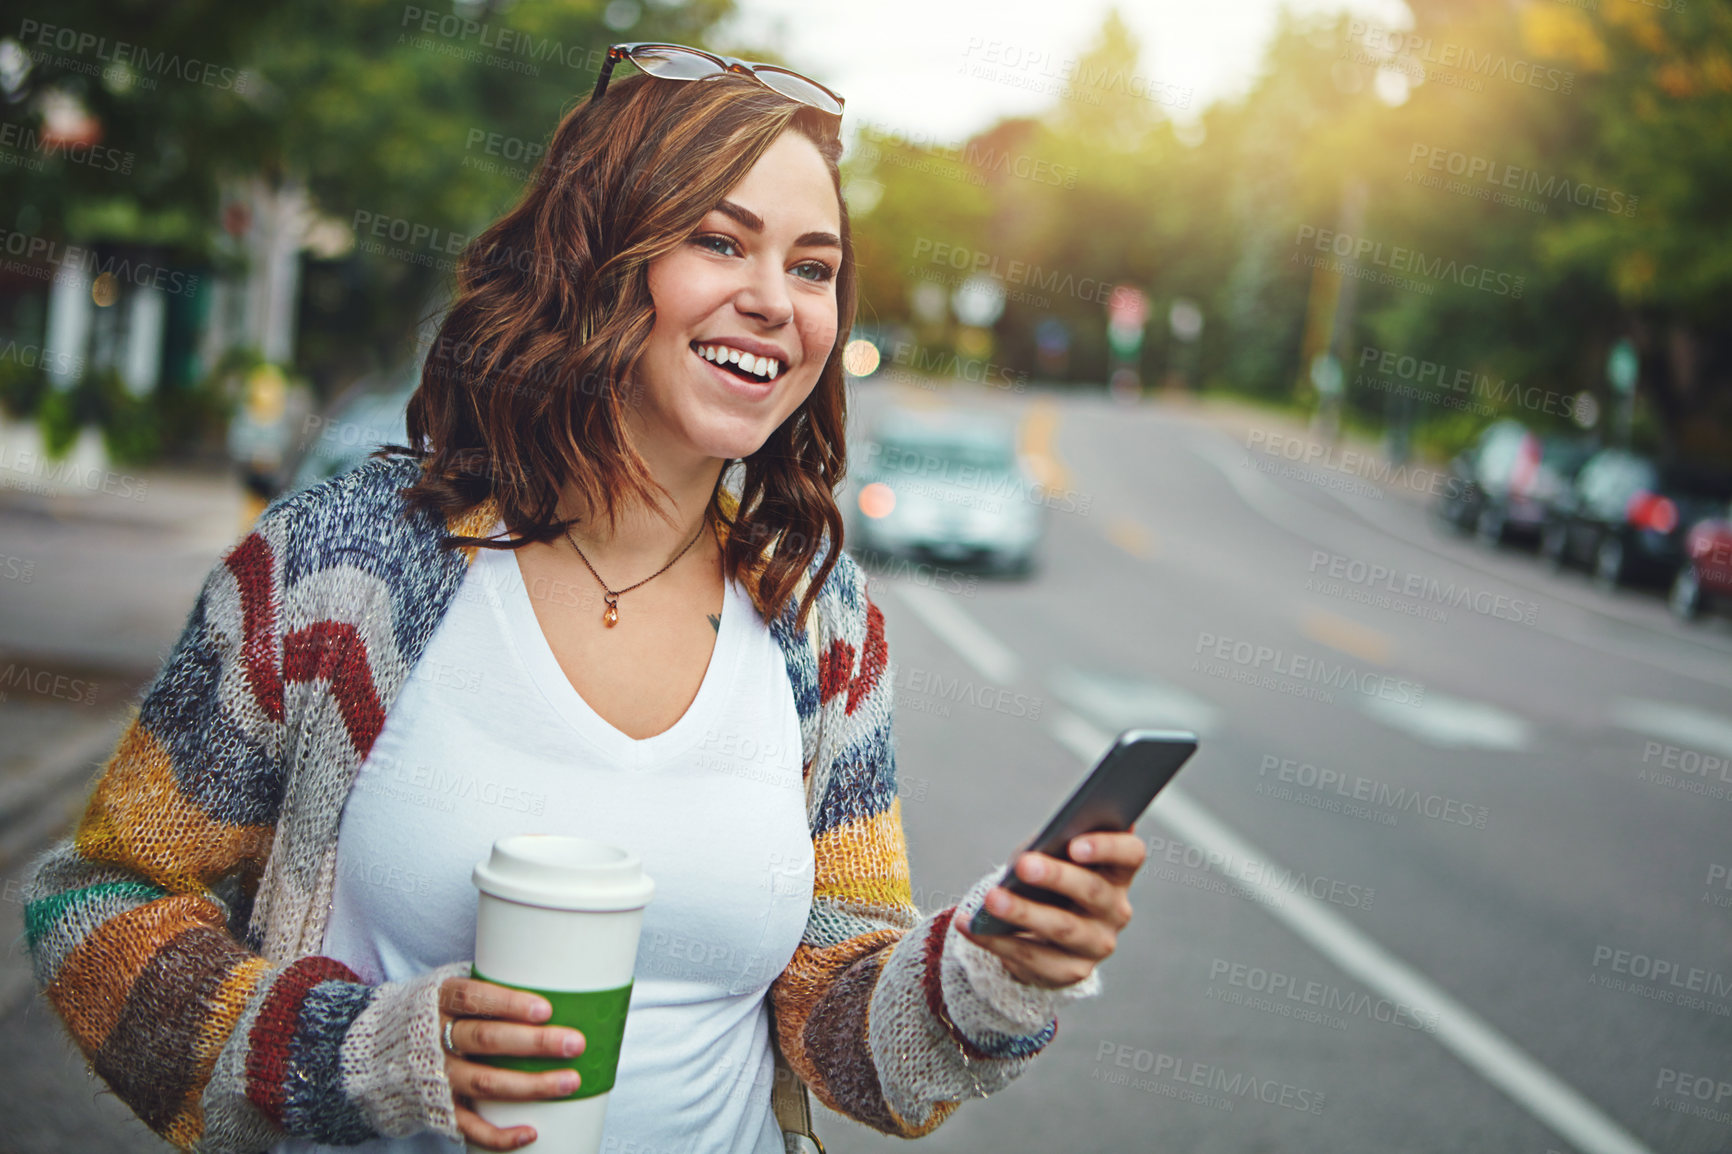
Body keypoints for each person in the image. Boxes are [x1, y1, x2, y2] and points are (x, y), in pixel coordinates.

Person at [22, 43, 1147, 1154]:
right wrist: (362, 1050)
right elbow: (99, 902)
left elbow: (841, 1015)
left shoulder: (817, 617)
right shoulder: (339, 565)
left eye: (812, 267)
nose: (774, 301)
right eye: (720, 241)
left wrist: (992, 966)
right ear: (600, 259)